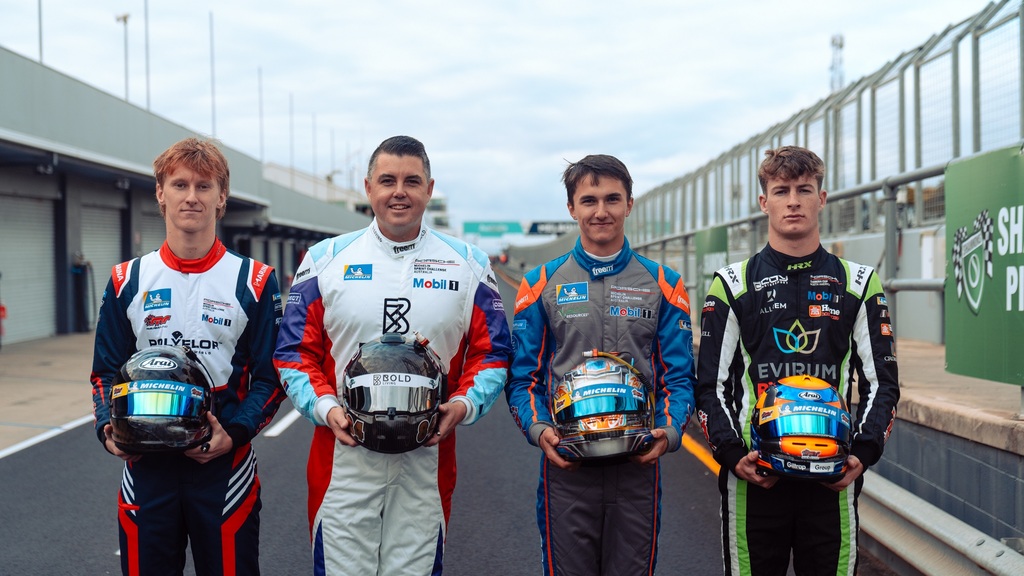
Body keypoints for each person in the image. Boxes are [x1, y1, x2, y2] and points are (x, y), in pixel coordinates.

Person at [273, 135, 513, 575]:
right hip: (344, 457)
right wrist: (325, 408)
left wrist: (463, 405)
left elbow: (493, 352)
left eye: (411, 181)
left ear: (429, 188)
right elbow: (293, 352)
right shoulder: (323, 260)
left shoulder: (470, 264)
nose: (399, 192)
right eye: (387, 181)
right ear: (368, 188)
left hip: (427, 457)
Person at [695, 145, 900, 576]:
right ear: (763, 201)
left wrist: (863, 452)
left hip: (832, 477)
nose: (793, 201)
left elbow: (882, 382)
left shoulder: (859, 283)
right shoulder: (731, 284)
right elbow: (711, 385)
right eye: (781, 190)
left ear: (821, 199)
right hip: (755, 475)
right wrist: (732, 454)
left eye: (804, 190)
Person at [90, 137, 285, 575]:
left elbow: (272, 378)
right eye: (180, 185)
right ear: (161, 193)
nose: (191, 197)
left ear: (222, 197)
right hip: (146, 465)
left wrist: (234, 434)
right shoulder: (127, 279)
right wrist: (106, 429)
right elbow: (104, 371)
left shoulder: (255, 280)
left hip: (224, 466)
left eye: (204, 186)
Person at [505, 154, 696, 576]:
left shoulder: (665, 284)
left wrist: (669, 432)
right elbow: (522, 379)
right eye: (589, 201)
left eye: (612, 199)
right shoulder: (540, 283)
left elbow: (679, 377)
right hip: (568, 467)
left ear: (629, 204)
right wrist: (540, 431)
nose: (601, 211)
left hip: (637, 466)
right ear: (571, 208)